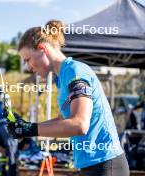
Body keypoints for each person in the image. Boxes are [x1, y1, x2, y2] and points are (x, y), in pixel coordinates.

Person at [7, 20, 130, 176]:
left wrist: (30, 129)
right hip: (92, 164)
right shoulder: (62, 77)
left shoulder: (75, 71)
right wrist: (25, 127)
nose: (28, 68)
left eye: (27, 60)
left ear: (42, 49)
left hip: (106, 164)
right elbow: (62, 120)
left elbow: (79, 124)